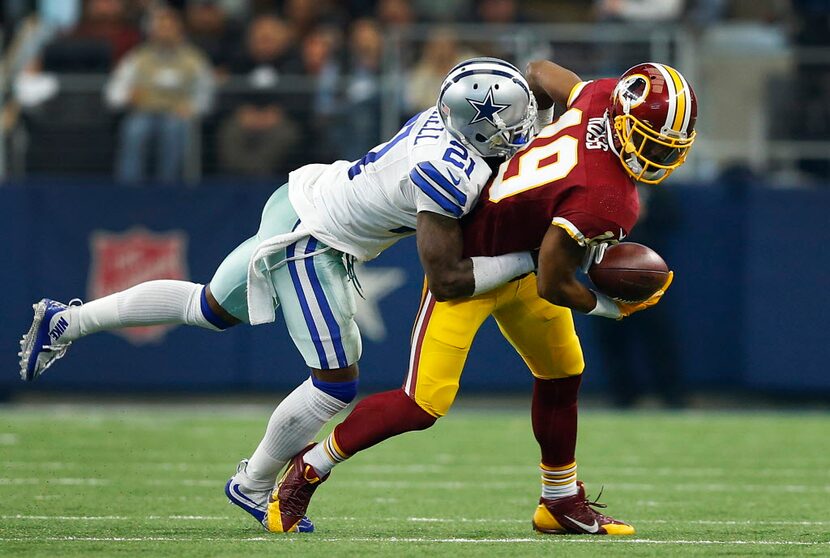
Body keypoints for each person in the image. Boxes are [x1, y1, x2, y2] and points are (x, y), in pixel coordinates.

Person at [18, 58, 540, 533]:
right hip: (313, 241)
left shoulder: (447, 119)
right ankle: (253, 482)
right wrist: (532, 257)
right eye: (512, 125)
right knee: (336, 383)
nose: (522, 132)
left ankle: (69, 323)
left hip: (304, 198)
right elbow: (447, 277)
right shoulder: (447, 172)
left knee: (208, 308)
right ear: (476, 126)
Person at [269, 60, 697, 536]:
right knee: (421, 405)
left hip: (524, 256)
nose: (656, 154)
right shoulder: (609, 197)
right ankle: (309, 466)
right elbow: (552, 281)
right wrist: (609, 306)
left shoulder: (597, 95)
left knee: (562, 374)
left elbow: (539, 71)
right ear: (621, 117)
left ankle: (559, 500)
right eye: (650, 138)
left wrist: (542, 136)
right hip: (472, 267)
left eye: (667, 145)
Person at [106, 7, 214, 184]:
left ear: (180, 30)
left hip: (177, 115)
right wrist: (126, 97)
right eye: (160, 28)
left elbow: (205, 95)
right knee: (135, 130)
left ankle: (167, 186)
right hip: (144, 113)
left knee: (173, 130)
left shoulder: (195, 60)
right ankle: (128, 187)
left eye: (169, 28)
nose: (165, 33)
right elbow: (114, 92)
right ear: (151, 32)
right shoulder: (137, 58)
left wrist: (193, 108)